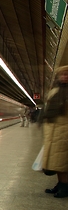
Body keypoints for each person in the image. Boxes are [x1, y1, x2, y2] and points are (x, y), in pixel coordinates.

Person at [42, 66, 68, 197]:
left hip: (64, 131)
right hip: (53, 131)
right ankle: (60, 184)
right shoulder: (54, 91)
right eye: (62, 75)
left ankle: (65, 187)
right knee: (57, 162)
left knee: (63, 161)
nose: (65, 77)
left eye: (67, 75)